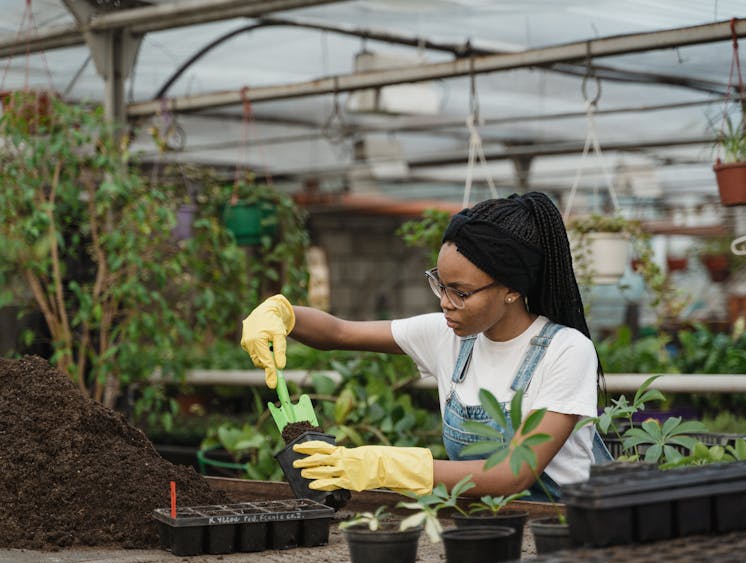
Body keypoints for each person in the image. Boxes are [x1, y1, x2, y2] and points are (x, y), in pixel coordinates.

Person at [241, 191, 609, 500]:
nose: (445, 302)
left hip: (561, 532)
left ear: (513, 289)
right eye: (441, 284)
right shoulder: (448, 337)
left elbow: (514, 472)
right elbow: (338, 333)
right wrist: (282, 313)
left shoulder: (565, 351)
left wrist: (383, 466)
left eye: (461, 292)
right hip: (483, 525)